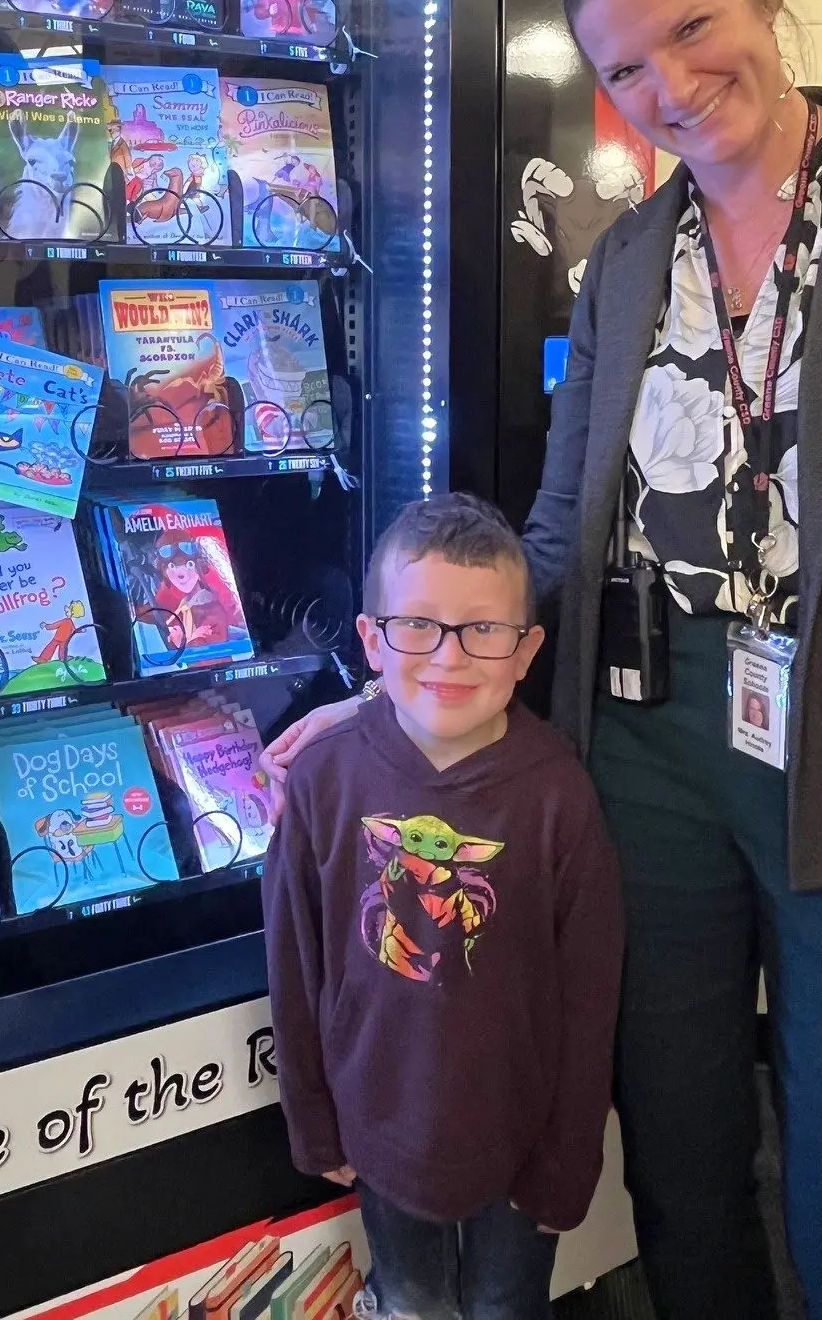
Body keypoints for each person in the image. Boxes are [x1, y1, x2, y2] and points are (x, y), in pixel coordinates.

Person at [264, 0, 822, 1320]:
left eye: (691, 29)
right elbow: (557, 528)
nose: (667, 85)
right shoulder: (623, 257)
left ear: (763, 2)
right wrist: (398, 688)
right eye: (622, 67)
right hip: (645, 742)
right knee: (678, 1155)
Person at [263, 493, 622, 1320]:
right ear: (370, 639)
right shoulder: (325, 781)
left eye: (483, 630)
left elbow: (589, 996)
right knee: (411, 1302)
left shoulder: (559, 797)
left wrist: (569, 1160)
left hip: (520, 1139)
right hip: (378, 1131)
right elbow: (295, 963)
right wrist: (312, 1121)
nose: (448, 657)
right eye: (416, 624)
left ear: (526, 649)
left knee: (506, 1307)